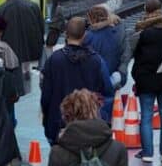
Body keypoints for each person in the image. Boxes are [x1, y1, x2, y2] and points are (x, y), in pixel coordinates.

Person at [40, 17, 114, 145]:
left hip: (59, 122)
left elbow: (46, 95)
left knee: (60, 158)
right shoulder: (96, 61)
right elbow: (107, 90)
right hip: (88, 124)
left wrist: (47, 118)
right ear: (84, 35)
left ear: (66, 34)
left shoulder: (54, 60)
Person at [129, 0, 162, 163]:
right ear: (161, 9)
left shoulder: (140, 32)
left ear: (146, 11)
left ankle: (148, 153)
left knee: (146, 116)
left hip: (146, 79)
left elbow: (132, 52)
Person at [0, 0, 45, 90]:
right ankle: (27, 80)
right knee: (26, 66)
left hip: (11, 48)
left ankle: (19, 89)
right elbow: (41, 26)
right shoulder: (32, 5)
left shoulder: (2, 8)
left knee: (15, 70)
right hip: (30, 46)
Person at [83, 4, 128, 107]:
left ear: (92, 19)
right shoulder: (114, 34)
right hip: (111, 79)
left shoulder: (88, 37)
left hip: (93, 84)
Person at [0, 13, 25, 118]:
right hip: (5, 91)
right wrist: (17, 92)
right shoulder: (5, 48)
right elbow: (14, 69)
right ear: (0, 31)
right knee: (8, 118)